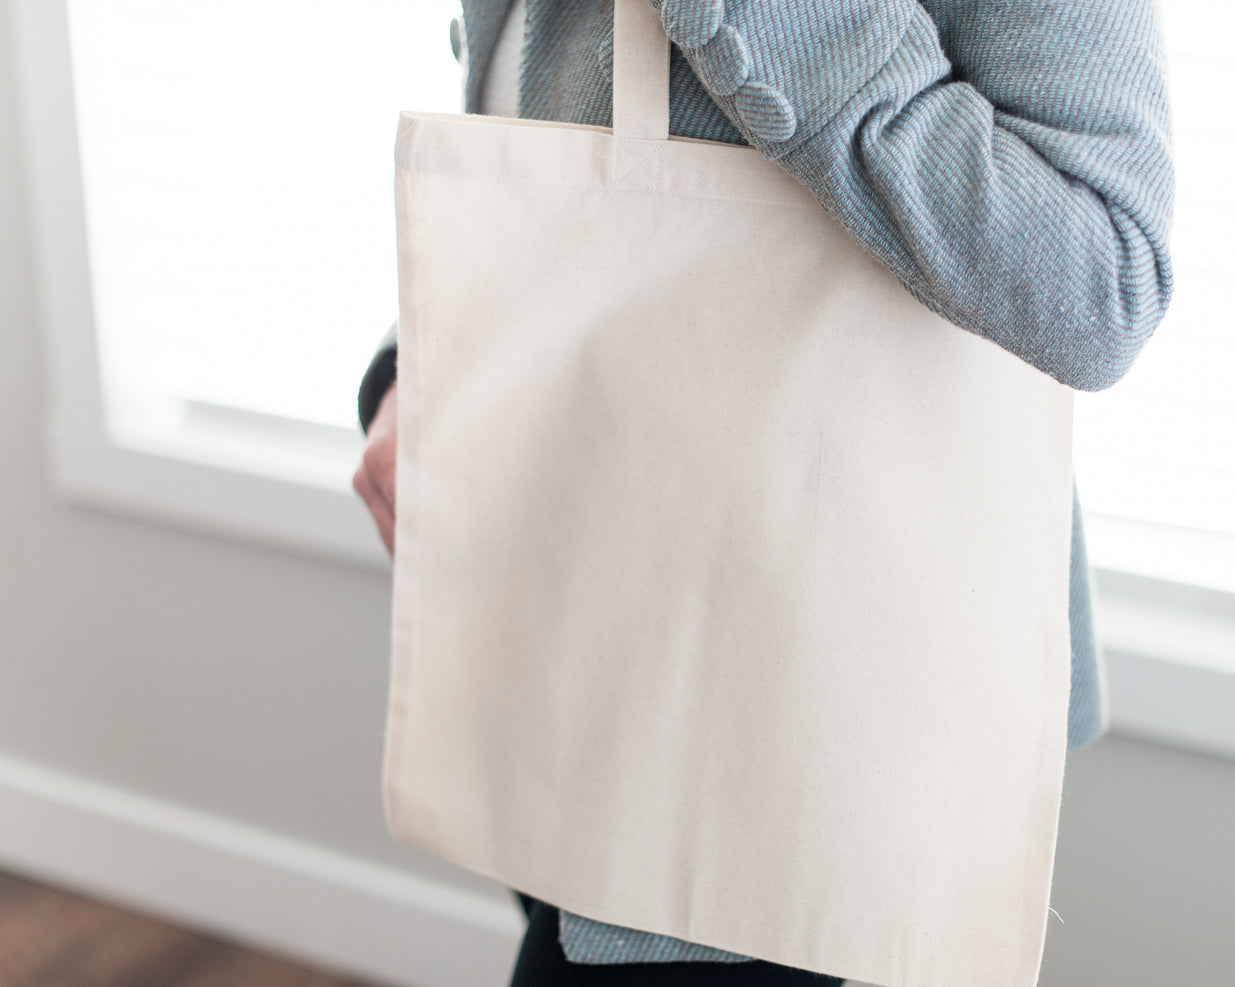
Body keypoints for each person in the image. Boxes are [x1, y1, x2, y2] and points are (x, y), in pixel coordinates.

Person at [353, 0, 1173, 982]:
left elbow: (1097, 280)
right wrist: (420, 368)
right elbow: (572, 119)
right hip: (570, 624)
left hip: (798, 707)